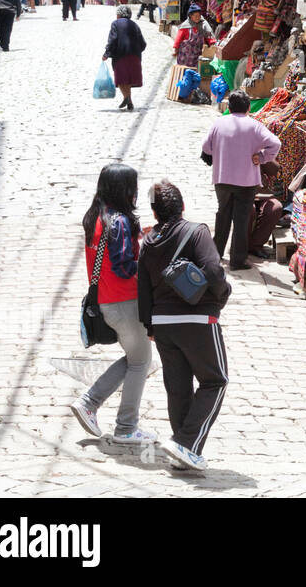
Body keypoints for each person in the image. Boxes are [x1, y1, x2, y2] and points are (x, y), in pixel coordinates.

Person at [137, 179, 230, 472]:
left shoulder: (149, 242)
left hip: (163, 324)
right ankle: (187, 444)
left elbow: (143, 287)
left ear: (155, 214)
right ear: (183, 206)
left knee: (178, 389)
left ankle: (181, 449)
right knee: (215, 381)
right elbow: (214, 271)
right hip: (198, 320)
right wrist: (221, 295)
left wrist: (149, 324)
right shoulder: (196, 231)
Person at [69, 164, 156, 445]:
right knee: (141, 361)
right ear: (124, 190)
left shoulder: (97, 216)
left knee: (135, 358)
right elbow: (122, 266)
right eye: (133, 186)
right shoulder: (119, 221)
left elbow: (109, 254)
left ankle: (90, 403)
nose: (136, 192)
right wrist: (148, 253)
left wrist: (137, 236)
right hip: (125, 302)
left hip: (107, 301)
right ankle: (125, 427)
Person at [200, 90, 281, 271]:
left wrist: (220, 152)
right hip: (246, 181)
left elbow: (206, 146)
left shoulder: (219, 123)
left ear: (229, 107)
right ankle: (237, 260)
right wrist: (262, 157)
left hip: (222, 178)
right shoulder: (255, 126)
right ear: (248, 107)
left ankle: (216, 254)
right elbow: (276, 144)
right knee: (241, 219)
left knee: (223, 215)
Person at [103, 4, 148, 111]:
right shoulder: (135, 25)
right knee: (127, 80)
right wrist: (136, 52)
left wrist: (107, 53)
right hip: (134, 57)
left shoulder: (115, 24)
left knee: (121, 80)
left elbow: (113, 40)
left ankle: (127, 98)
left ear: (119, 15)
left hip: (120, 55)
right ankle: (129, 101)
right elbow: (143, 43)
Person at [173, 4, 215, 69]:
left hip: (197, 55)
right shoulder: (185, 26)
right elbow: (178, 39)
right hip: (185, 56)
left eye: (199, 16)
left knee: (195, 72)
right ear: (190, 16)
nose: (198, 17)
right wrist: (176, 50)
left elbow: (208, 36)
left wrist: (213, 44)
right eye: (196, 16)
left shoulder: (203, 25)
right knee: (184, 72)